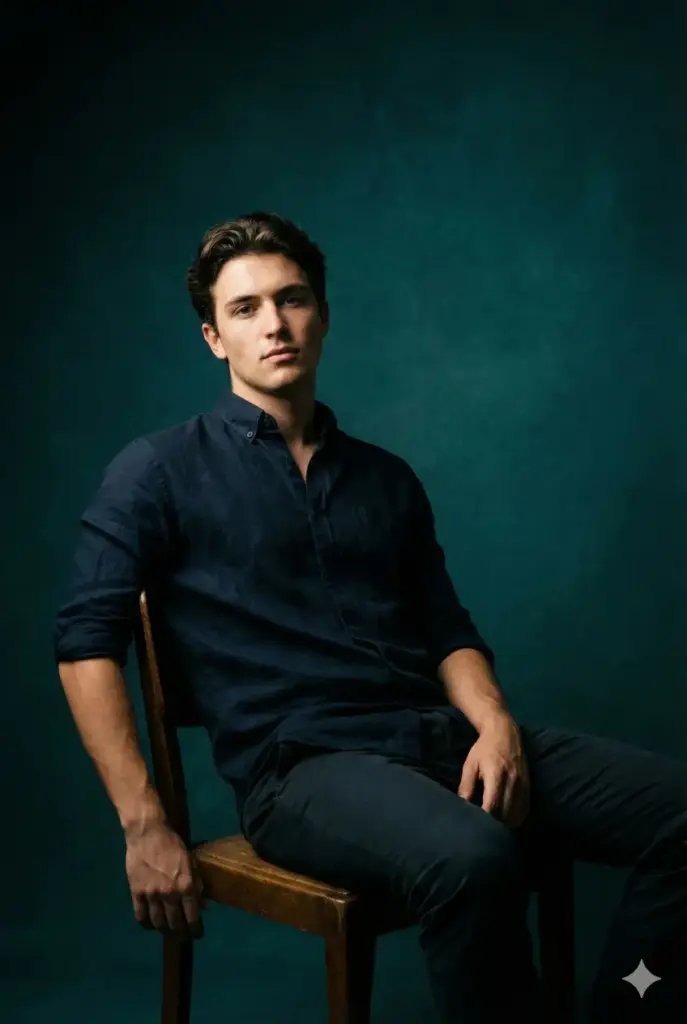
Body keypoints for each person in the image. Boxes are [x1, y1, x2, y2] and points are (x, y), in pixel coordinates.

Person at [54, 211, 687, 1023]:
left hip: (439, 739)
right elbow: (84, 644)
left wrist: (494, 724)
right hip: (304, 772)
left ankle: (628, 1006)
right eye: (245, 308)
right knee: (474, 856)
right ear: (213, 337)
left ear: (323, 314)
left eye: (292, 299)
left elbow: (446, 628)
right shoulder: (155, 472)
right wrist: (144, 826)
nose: (274, 323)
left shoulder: (386, 479)